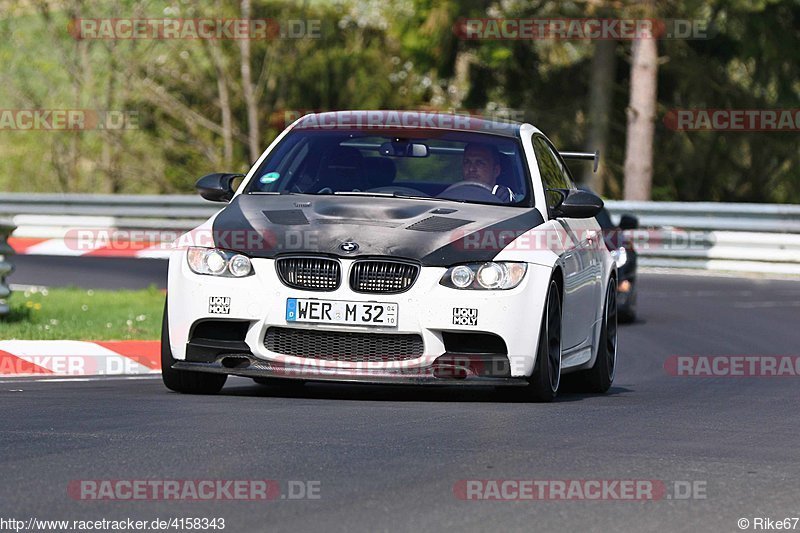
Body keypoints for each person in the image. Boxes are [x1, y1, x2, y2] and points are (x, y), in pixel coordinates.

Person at [440, 143, 514, 202]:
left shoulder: (513, 201)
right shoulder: (450, 195)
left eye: (479, 163)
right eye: (467, 162)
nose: (471, 169)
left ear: (496, 170)